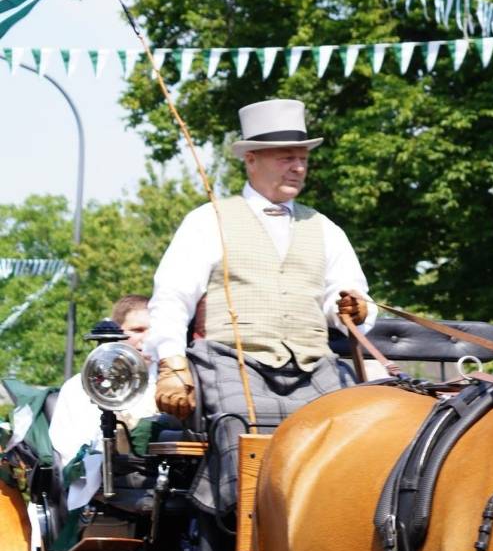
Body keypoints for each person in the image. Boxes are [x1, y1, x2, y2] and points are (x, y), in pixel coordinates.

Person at [146, 98, 375, 516]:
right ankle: (237, 538)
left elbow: (348, 296)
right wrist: (172, 366)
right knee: (239, 427)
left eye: (303, 158)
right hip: (231, 362)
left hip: (314, 365)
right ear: (251, 159)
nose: (298, 167)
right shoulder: (207, 220)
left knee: (355, 430)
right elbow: (171, 298)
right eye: (287, 157)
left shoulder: (324, 229)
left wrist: (352, 308)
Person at [49, 294, 156, 465]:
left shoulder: (168, 384)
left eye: (154, 330)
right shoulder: (79, 387)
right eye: (138, 330)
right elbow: (71, 452)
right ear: (116, 334)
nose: (149, 338)